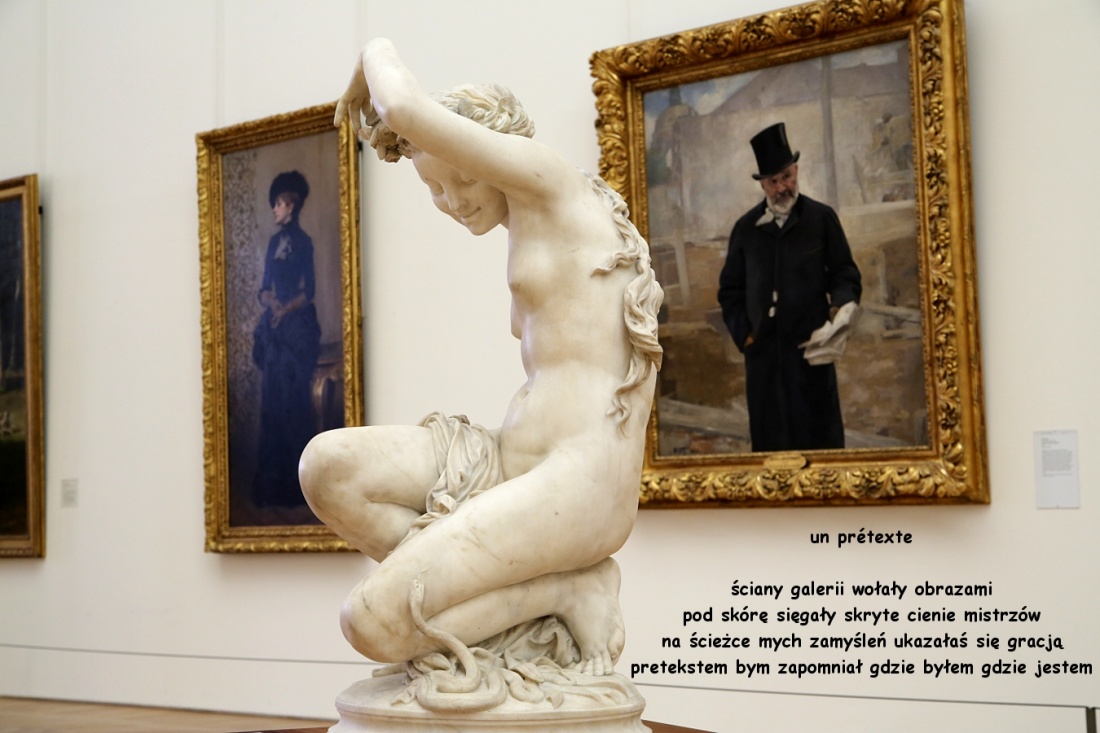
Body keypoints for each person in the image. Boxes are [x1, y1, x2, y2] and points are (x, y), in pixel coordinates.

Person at [298, 39, 662, 689]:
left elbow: (402, 106)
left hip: (576, 480)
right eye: (434, 187)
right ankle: (521, 585)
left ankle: (563, 589)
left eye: (462, 177)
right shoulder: (529, 228)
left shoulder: (550, 184)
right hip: (507, 458)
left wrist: (370, 53)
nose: (453, 199)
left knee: (372, 623)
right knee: (327, 467)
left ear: (495, 152)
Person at [717, 122, 861, 452]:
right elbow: (730, 291)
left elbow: (844, 273)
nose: (783, 187)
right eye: (773, 181)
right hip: (764, 362)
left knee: (820, 444)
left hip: (811, 353)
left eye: (787, 177)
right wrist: (746, 336)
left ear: (795, 170)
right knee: (771, 449)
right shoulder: (745, 229)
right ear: (762, 184)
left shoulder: (821, 219)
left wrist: (839, 309)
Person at [252, 170, 321, 507]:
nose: (274, 210)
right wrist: (272, 304)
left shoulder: (304, 243)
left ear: (290, 205)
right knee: (272, 397)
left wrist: (287, 309)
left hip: (297, 327)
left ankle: (298, 485)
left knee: (293, 395)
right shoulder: (271, 245)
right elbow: (264, 288)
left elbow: (309, 292)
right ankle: (272, 480)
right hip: (275, 324)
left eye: (278, 204)